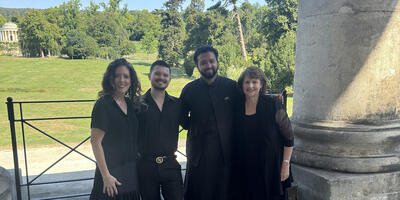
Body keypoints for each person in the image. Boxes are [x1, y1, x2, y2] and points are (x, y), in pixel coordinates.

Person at [180, 46, 237, 200]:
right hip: (199, 153)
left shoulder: (232, 87)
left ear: (217, 62)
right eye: (203, 62)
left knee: (225, 192)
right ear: (197, 66)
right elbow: (182, 119)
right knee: (198, 192)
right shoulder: (189, 90)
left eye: (211, 61)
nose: (208, 65)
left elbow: (248, 105)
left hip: (227, 153)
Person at [233, 66, 294, 200]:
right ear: (242, 85)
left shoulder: (273, 105)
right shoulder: (237, 107)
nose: (250, 86)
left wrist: (285, 164)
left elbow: (289, 138)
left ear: (261, 84)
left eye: (254, 82)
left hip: (271, 169)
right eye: (247, 82)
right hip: (246, 168)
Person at [90, 58, 142, 200]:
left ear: (131, 80)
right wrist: (106, 176)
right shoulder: (103, 105)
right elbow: (95, 142)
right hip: (111, 173)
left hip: (130, 172)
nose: (122, 80)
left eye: (126, 76)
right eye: (117, 76)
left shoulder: (130, 104)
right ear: (110, 79)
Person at [137, 60, 184, 200]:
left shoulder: (177, 104)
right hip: (145, 166)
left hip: (170, 164)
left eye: (165, 75)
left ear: (170, 78)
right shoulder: (137, 104)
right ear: (149, 76)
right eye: (157, 73)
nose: (161, 77)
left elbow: (191, 124)